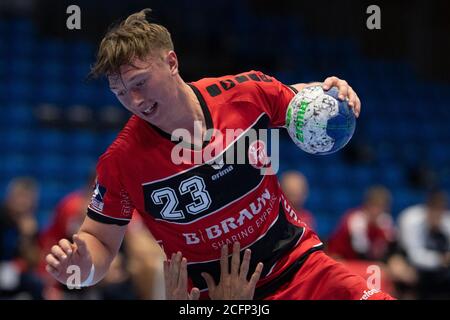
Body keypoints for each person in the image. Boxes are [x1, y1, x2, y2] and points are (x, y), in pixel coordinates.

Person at [45, 8, 393, 300]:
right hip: (210, 296)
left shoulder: (245, 94)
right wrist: (81, 267)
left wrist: (332, 93)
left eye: (139, 83)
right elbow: (101, 242)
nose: (133, 101)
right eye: (119, 91)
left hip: (298, 266)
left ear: (171, 62)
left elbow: (302, 100)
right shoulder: (121, 161)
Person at [398, 190, 450, 299]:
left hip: (441, 269)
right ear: (427, 209)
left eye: (440, 211)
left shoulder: (446, 221)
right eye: (433, 211)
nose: (437, 216)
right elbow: (414, 255)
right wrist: (441, 259)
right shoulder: (411, 219)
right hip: (412, 264)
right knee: (408, 274)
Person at [0, 177, 43, 299]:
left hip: (16, 274)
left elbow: (33, 261)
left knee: (36, 284)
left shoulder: (30, 223)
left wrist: (27, 237)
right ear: (10, 197)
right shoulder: (1, 217)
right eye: (19, 196)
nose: (22, 202)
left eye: (27, 198)